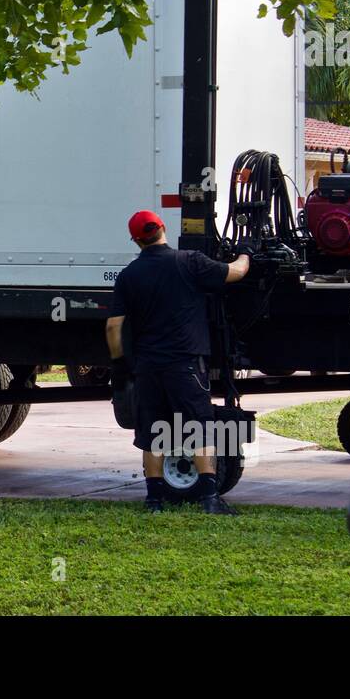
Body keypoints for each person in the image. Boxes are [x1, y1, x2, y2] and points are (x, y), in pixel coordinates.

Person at [105, 210, 250, 514]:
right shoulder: (190, 261)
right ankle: (210, 498)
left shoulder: (128, 275)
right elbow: (233, 273)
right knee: (199, 427)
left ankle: (154, 501)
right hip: (185, 365)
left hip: (147, 366)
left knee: (153, 432)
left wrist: (119, 365)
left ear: (135, 240)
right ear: (163, 228)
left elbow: (113, 327)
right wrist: (245, 253)